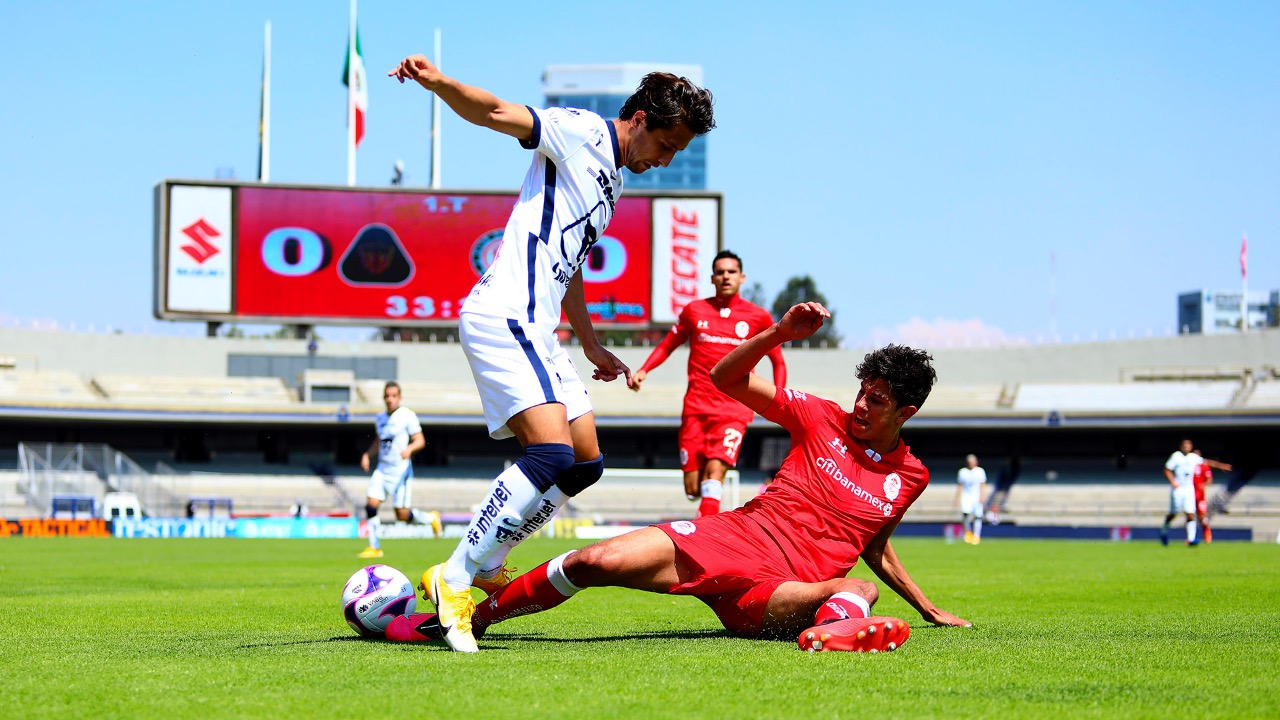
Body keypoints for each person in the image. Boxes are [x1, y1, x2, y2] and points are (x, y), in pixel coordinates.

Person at [388, 303, 971, 652]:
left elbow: (875, 546)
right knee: (595, 561)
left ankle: (835, 629)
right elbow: (726, 378)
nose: (862, 406)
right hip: (735, 537)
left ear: (906, 413)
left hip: (780, 593)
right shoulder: (821, 414)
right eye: (863, 393)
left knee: (855, 589)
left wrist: (925, 606)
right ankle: (470, 617)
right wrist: (777, 336)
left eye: (877, 401)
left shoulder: (911, 475)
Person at [390, 53, 716, 652]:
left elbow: (570, 268)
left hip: (540, 329)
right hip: (504, 315)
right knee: (549, 452)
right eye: (666, 145)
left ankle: (486, 562)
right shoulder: (583, 132)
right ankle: (457, 576)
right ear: (639, 118)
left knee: (585, 462)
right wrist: (439, 82)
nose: (665, 161)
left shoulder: (613, 180)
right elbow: (493, 111)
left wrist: (590, 340)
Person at [628, 250, 786, 516]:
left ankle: (704, 542)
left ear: (741, 277)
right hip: (695, 410)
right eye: (721, 272)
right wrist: (644, 370)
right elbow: (667, 346)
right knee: (693, 488)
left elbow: (778, 361)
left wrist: (779, 400)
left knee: (715, 473)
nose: (726, 277)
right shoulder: (694, 310)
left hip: (733, 411)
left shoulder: (758, 317)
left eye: (731, 272)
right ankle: (705, 516)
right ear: (712, 278)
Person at [358, 381, 441, 558]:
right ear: (384, 398)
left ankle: (431, 518)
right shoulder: (380, 418)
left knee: (401, 515)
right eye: (387, 396)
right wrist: (367, 454)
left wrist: (409, 449)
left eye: (394, 396)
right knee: (371, 506)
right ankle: (375, 547)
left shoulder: (407, 415)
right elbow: (379, 441)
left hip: (400, 471)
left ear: (399, 397)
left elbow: (419, 439)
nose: (390, 399)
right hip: (382, 468)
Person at [1160, 439, 1231, 547]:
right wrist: (1173, 482)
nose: (1186, 447)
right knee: (1173, 513)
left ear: (1191, 446)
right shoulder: (1176, 456)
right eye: (1184, 445)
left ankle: (1191, 539)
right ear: (1181, 446)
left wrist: (1221, 466)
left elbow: (1207, 462)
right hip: (1178, 489)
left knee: (1190, 513)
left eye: (1188, 445)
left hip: (1189, 488)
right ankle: (1163, 531)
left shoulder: (1193, 457)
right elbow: (1167, 469)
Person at [954, 454, 987, 544]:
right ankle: (968, 533)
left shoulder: (980, 471)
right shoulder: (963, 472)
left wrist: (983, 496)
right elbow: (960, 485)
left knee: (978, 516)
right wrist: (957, 497)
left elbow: (982, 484)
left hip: (976, 496)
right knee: (965, 515)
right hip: (966, 496)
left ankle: (976, 535)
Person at [1191, 448, 1214, 544]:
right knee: (1190, 516)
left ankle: (1206, 530)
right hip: (1190, 495)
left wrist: (1203, 485)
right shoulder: (1188, 466)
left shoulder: (1204, 467)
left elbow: (1210, 479)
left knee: (1201, 517)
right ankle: (1191, 537)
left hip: (1200, 496)